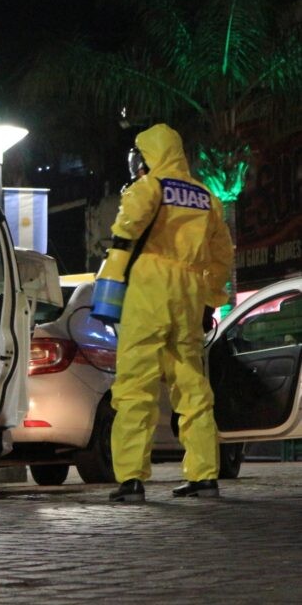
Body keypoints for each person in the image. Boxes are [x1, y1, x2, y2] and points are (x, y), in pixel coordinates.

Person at [102, 124, 235, 502]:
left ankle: (130, 480)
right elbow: (222, 255)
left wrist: (109, 288)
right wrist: (210, 298)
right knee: (192, 385)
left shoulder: (149, 187)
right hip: (189, 291)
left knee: (135, 386)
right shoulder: (207, 197)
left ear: (150, 155)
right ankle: (204, 475)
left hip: (149, 287)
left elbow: (124, 237)